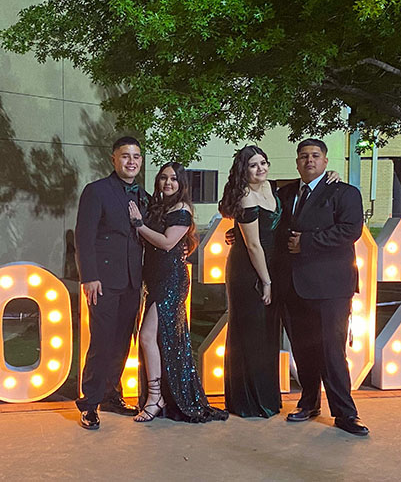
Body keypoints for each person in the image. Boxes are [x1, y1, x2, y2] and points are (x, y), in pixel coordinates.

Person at [273, 138, 369, 436]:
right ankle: (309, 402)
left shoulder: (344, 193)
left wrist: (307, 242)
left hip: (331, 288)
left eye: (315, 156)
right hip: (293, 287)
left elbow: (350, 230)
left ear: (326, 161)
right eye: (303, 156)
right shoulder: (285, 193)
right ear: (297, 162)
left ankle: (345, 414)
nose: (309, 161)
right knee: (303, 351)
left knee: (331, 352)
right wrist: (238, 236)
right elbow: (269, 225)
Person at [128, 163, 229, 423]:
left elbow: (166, 242)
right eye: (163, 178)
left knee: (148, 336)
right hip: (155, 279)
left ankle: (154, 398)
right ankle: (159, 396)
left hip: (171, 281)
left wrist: (139, 225)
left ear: (182, 183)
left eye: (174, 179)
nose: (168, 182)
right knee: (161, 339)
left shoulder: (182, 209)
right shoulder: (158, 206)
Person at [74, 136, 147, 430]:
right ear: (113, 159)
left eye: (137, 157)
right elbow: (83, 236)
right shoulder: (96, 191)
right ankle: (90, 404)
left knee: (121, 343)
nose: (132, 161)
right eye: (126, 156)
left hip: (132, 281)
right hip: (103, 281)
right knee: (102, 341)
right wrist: (89, 276)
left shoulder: (143, 195)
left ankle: (111, 395)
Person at [218, 146, 283, 418]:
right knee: (250, 335)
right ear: (243, 170)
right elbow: (254, 245)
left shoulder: (273, 187)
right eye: (254, 165)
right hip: (249, 273)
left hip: (270, 269)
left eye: (264, 163)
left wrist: (334, 174)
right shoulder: (245, 195)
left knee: (268, 334)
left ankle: (267, 397)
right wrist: (266, 282)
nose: (261, 169)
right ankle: (246, 401)